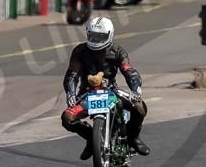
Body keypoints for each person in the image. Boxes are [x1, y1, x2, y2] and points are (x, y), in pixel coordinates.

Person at [61, 16, 150, 159]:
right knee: (67, 118)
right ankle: (91, 138)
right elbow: (72, 74)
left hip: (111, 90)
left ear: (110, 35)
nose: (96, 40)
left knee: (140, 108)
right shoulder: (79, 51)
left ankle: (133, 138)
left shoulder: (118, 51)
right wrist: (70, 93)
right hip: (87, 93)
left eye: (100, 37)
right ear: (87, 34)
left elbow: (129, 71)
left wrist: (136, 89)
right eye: (93, 36)